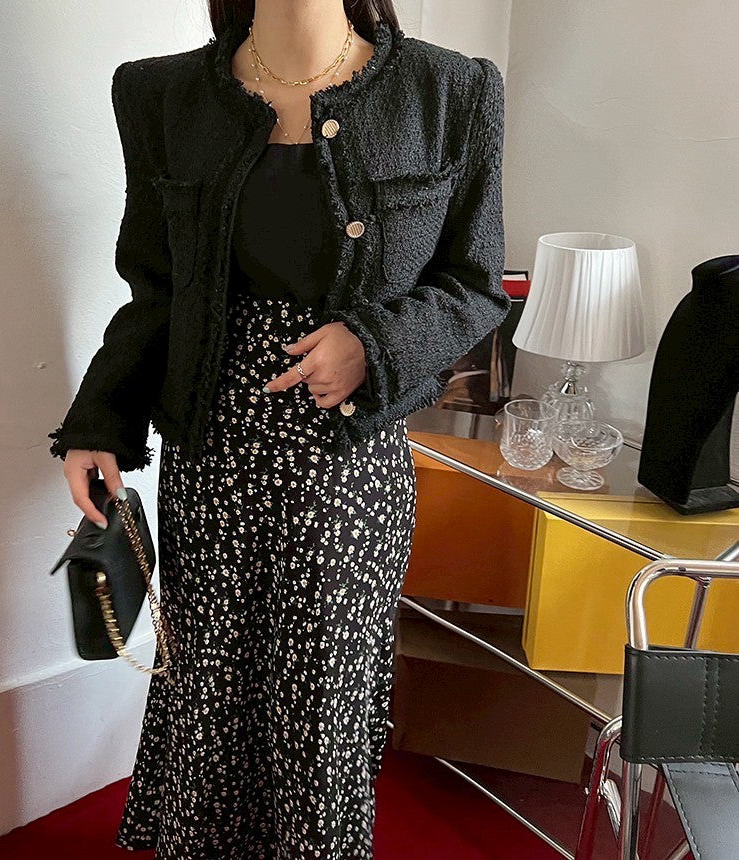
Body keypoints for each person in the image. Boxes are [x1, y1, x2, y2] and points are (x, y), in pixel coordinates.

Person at [48, 1, 509, 856]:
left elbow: (476, 284)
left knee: (321, 692)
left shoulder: (450, 90)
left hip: (350, 459)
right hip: (212, 449)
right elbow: (155, 285)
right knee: (210, 681)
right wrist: (99, 420)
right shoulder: (160, 95)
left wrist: (373, 345)